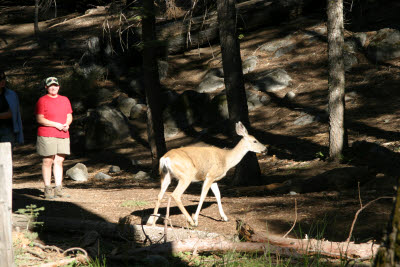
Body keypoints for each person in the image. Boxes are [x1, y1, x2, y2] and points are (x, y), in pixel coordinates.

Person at [35, 77, 73, 199]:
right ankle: (47, 188)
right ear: (46, 87)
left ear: (59, 87)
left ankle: (58, 187)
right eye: (50, 85)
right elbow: (40, 118)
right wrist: (56, 124)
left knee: (59, 161)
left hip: (63, 134)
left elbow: (69, 115)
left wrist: (67, 124)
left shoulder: (65, 99)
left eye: (55, 85)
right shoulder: (42, 100)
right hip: (47, 134)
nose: (53, 87)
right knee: (48, 161)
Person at [0, 70, 24, 146]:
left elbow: (12, 114)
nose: (2, 81)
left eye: (4, 78)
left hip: (7, 130)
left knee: (6, 156)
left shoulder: (11, 94)